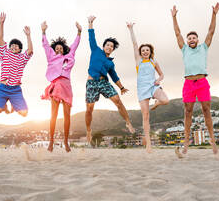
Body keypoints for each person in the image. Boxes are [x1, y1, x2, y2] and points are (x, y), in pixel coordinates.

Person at [171, 3, 219, 156]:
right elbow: (177, 33)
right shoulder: (184, 49)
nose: (191, 39)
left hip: (202, 83)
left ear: (197, 40)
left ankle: (212, 141)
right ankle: (186, 143)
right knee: (188, 112)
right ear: (187, 41)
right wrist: (174, 17)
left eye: (194, 38)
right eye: (189, 38)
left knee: (206, 110)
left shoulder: (203, 47)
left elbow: (211, 31)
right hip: (188, 84)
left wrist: (214, 14)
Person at [85, 15, 135, 144]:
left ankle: (128, 122)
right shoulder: (95, 50)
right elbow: (91, 37)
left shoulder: (110, 63)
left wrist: (122, 87)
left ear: (113, 49)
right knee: (89, 108)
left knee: (118, 100)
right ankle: (89, 129)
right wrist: (90, 23)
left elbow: (114, 76)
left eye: (111, 46)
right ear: (104, 46)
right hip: (91, 83)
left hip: (104, 83)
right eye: (107, 45)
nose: (109, 47)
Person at [126, 22, 169, 153]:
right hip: (142, 90)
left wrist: (158, 80)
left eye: (147, 50)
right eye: (143, 50)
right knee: (145, 116)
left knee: (166, 100)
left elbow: (162, 74)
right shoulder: (138, 61)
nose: (145, 51)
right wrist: (131, 29)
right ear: (141, 52)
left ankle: (156, 104)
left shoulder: (153, 61)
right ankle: (148, 144)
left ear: (150, 52)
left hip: (153, 86)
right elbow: (134, 44)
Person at [40, 21, 81, 152]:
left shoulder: (69, 56)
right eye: (56, 48)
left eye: (60, 48)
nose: (58, 49)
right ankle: (51, 142)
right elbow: (45, 46)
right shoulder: (51, 57)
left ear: (64, 50)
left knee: (67, 116)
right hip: (56, 85)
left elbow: (75, 45)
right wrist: (43, 32)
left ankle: (66, 142)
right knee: (53, 115)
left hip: (67, 86)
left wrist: (79, 32)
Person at [0, 12, 33, 117]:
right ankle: (4, 106)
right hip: (3, 87)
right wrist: (1, 24)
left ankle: (14, 104)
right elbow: (0, 39)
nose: (14, 46)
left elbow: (30, 50)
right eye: (12, 45)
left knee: (24, 113)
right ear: (9, 47)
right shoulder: (4, 53)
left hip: (15, 89)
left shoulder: (22, 58)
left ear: (20, 49)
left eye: (16, 46)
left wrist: (28, 36)